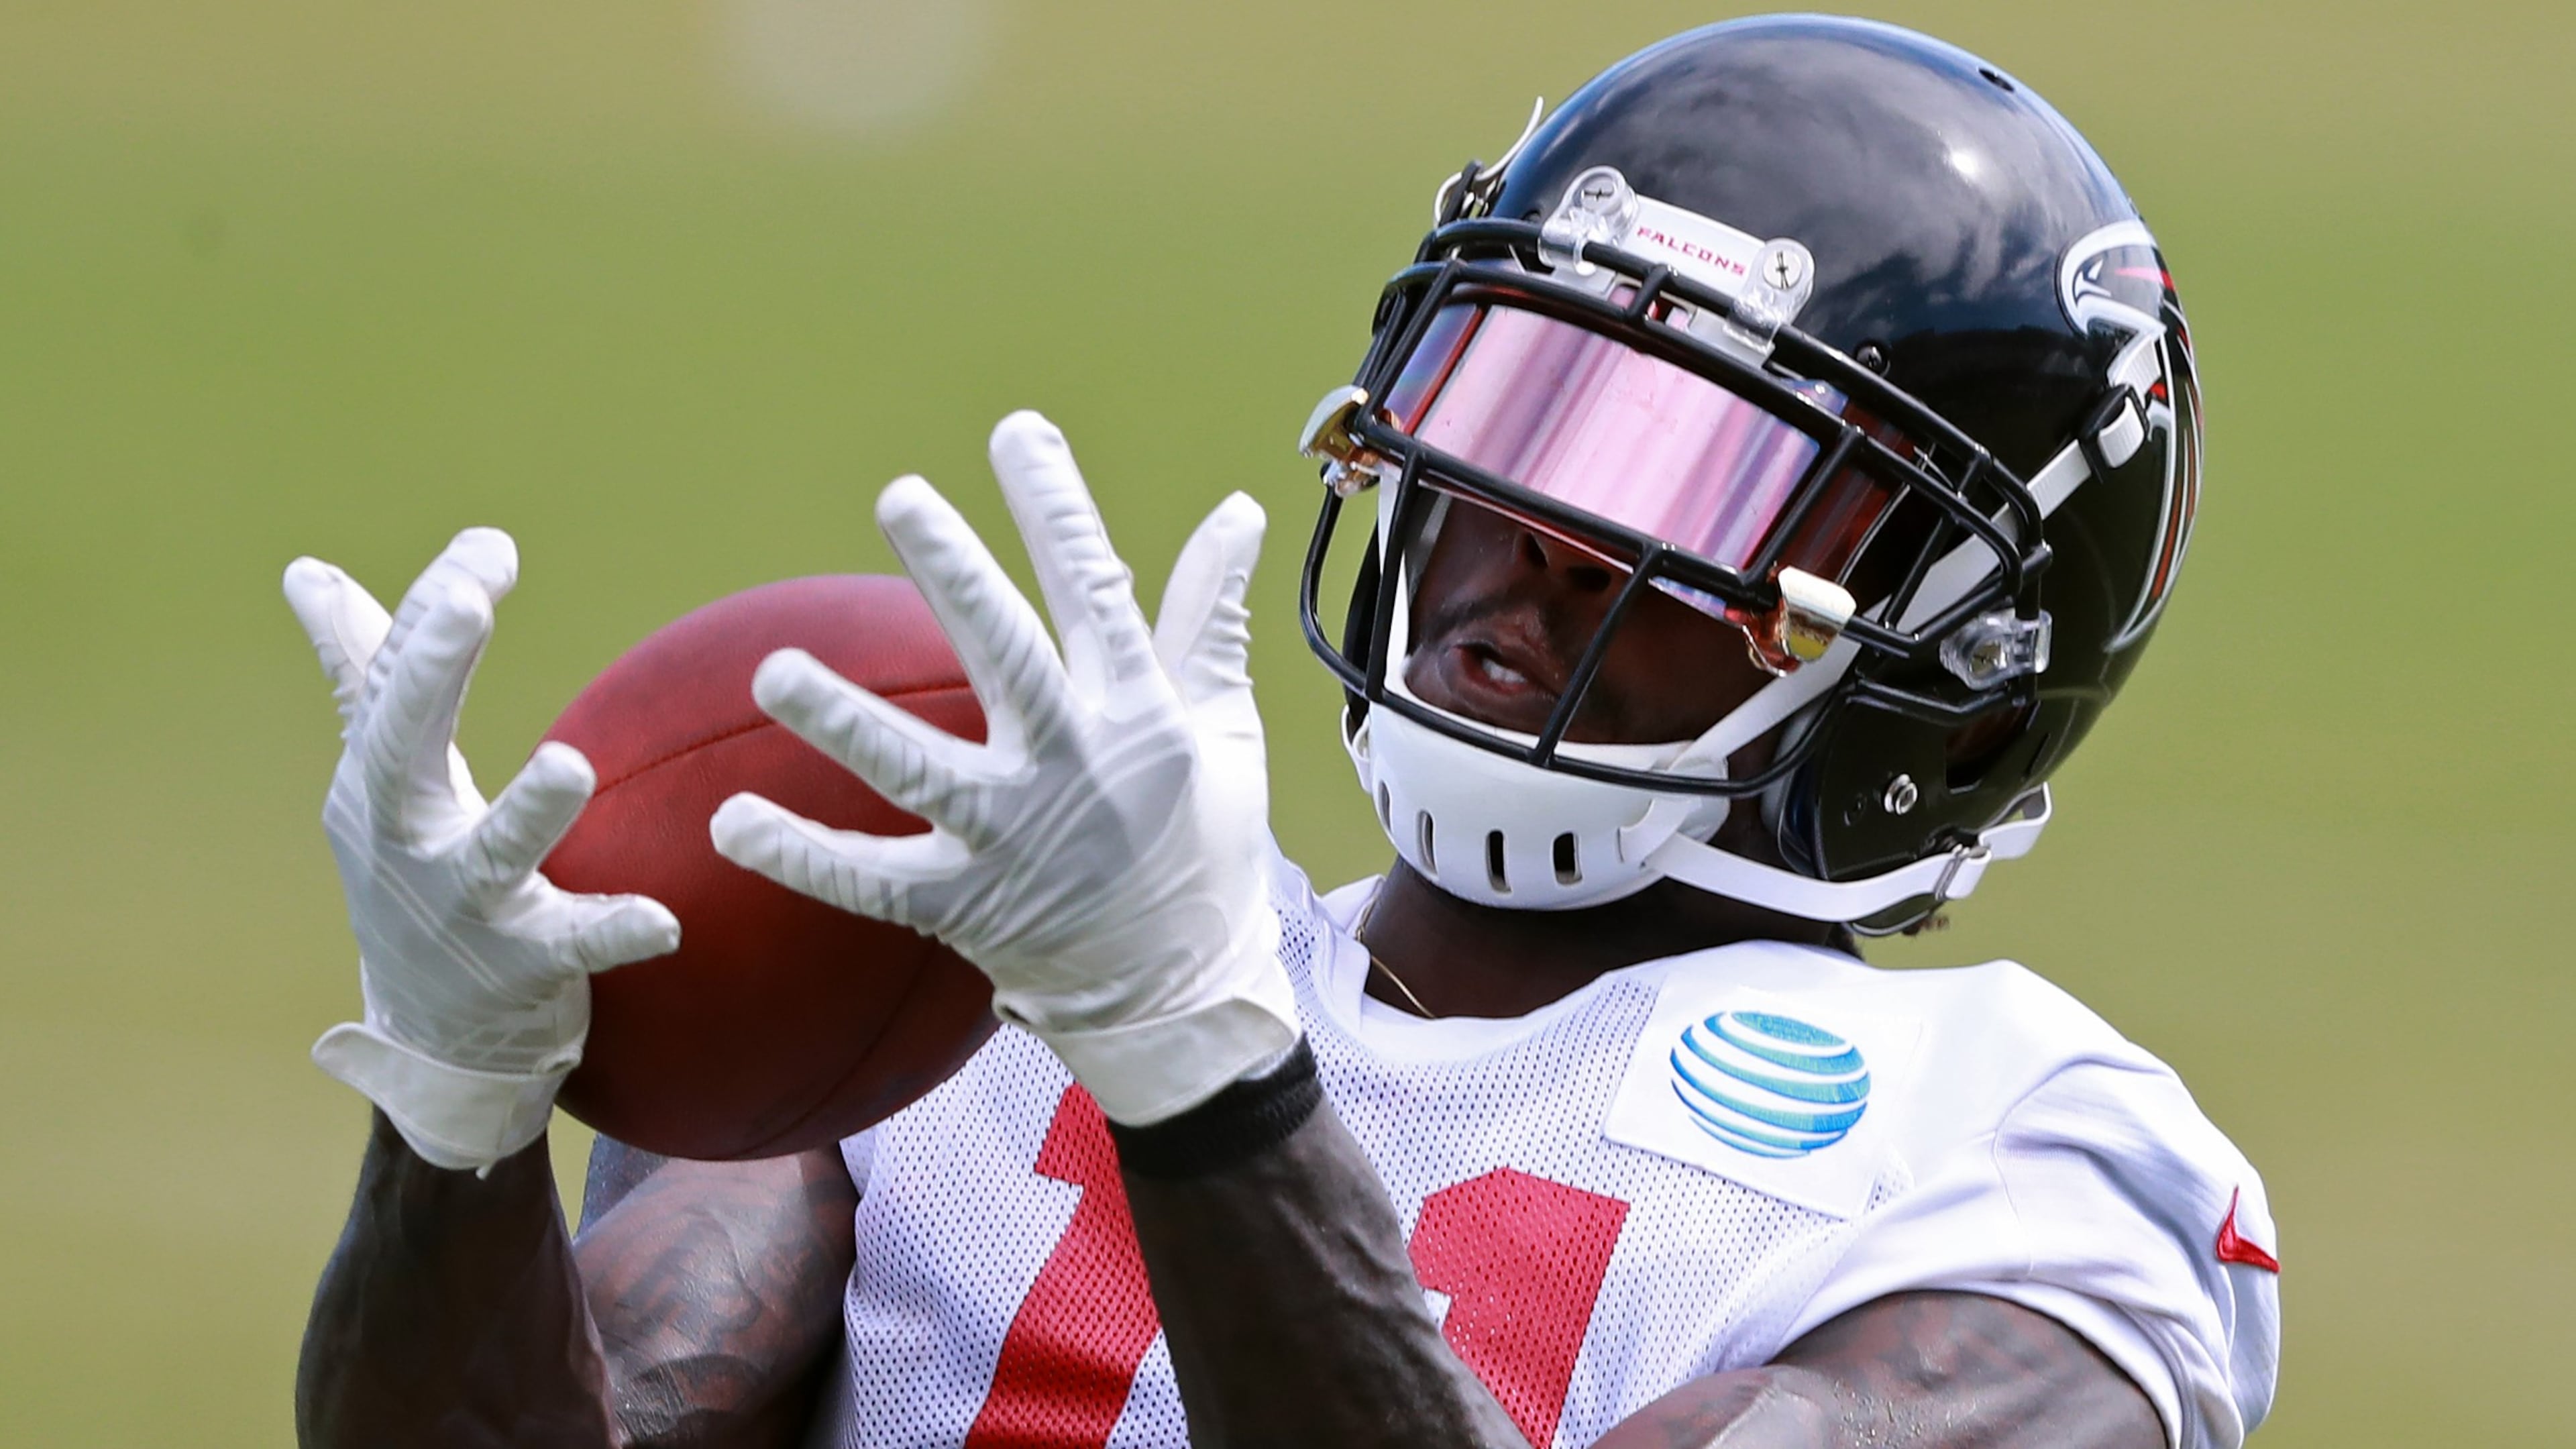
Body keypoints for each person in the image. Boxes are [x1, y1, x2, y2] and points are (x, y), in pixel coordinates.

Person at [288, 17, 2277, 1449]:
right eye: (1516, 411)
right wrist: (453, 1129)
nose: (1539, 541)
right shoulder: (970, 940)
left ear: (1964, 664)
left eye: (1700, 490)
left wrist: (1201, 1077)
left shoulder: (2017, 1168)